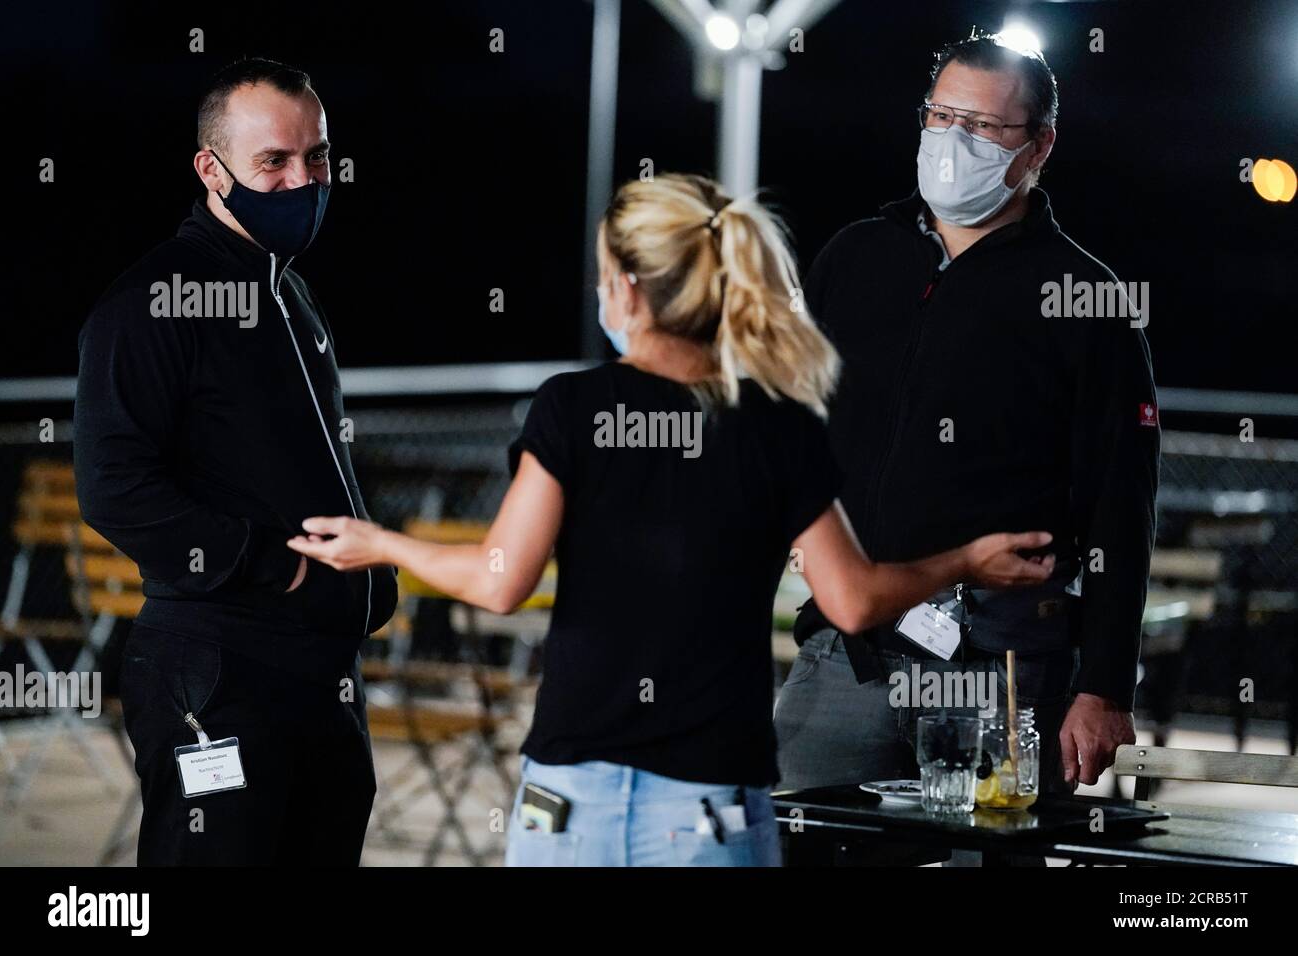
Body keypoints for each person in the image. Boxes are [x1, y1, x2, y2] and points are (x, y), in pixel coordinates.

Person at [288, 173, 1055, 867]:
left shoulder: (572, 408)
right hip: (709, 808)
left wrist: (379, 543)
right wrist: (966, 561)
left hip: (570, 802)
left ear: (625, 291)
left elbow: (500, 583)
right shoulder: (777, 424)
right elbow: (853, 600)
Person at [774, 31, 1160, 803]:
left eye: (984, 127)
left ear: (1040, 143)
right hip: (848, 653)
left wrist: (1105, 686)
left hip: (1006, 662)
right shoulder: (855, 258)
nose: (956, 141)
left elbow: (1124, 500)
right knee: (796, 843)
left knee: (988, 862)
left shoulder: (1087, 299)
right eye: (941, 117)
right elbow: (791, 419)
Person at [73, 57, 396, 865]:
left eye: (316, 157)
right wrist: (264, 563)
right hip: (217, 675)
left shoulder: (292, 294)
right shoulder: (153, 302)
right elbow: (112, 486)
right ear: (210, 169)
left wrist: (368, 580)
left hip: (323, 680)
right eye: (274, 162)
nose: (303, 181)